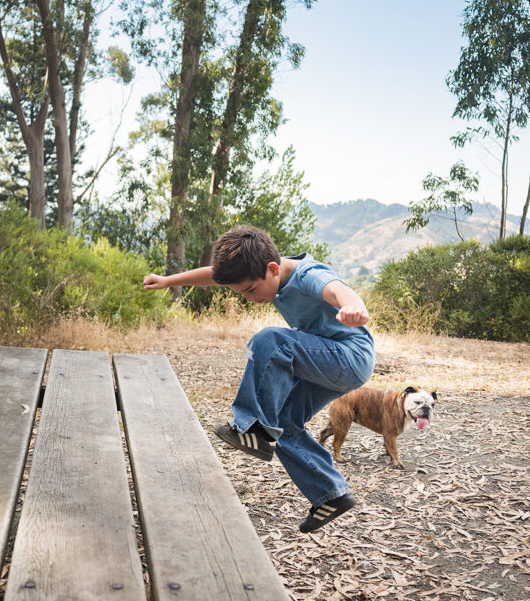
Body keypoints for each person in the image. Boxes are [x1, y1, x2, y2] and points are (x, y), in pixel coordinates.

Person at [143, 225, 375, 533]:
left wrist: (353, 305)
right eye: (242, 293)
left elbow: (335, 287)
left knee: (271, 340)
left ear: (273, 269)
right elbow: (214, 275)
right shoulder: (259, 270)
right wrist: (168, 281)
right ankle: (330, 494)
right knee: (284, 421)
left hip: (348, 357)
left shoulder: (306, 274)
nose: (250, 298)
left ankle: (252, 428)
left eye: (251, 290)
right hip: (328, 362)